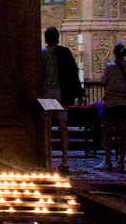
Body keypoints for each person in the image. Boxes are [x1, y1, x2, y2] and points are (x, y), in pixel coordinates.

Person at [41, 26, 84, 171]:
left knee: (46, 127)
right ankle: (65, 160)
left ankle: (47, 160)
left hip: (46, 92)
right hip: (62, 93)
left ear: (46, 38)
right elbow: (73, 72)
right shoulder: (65, 52)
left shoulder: (42, 53)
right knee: (63, 126)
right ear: (57, 37)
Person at [95, 42, 126, 172]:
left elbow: (102, 81)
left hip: (111, 103)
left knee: (107, 134)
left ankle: (108, 161)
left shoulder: (110, 66)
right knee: (123, 134)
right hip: (125, 103)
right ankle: (121, 162)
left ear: (114, 53)